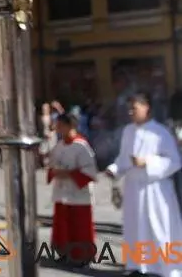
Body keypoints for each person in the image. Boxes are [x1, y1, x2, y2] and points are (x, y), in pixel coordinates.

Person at [106, 92, 182, 277]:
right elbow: (124, 158)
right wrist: (114, 169)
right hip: (134, 189)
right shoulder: (128, 131)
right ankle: (137, 265)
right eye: (129, 108)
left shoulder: (160, 132)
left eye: (134, 108)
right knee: (135, 227)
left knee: (159, 229)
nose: (130, 112)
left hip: (155, 190)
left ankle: (166, 269)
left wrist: (148, 162)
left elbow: (174, 161)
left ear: (146, 107)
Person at [47, 113, 97, 267]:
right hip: (62, 192)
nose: (57, 129)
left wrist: (69, 174)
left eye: (60, 126)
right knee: (62, 225)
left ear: (70, 126)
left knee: (79, 225)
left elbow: (90, 172)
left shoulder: (82, 146)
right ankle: (64, 252)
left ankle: (82, 256)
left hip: (78, 194)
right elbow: (51, 165)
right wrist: (54, 171)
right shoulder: (59, 146)